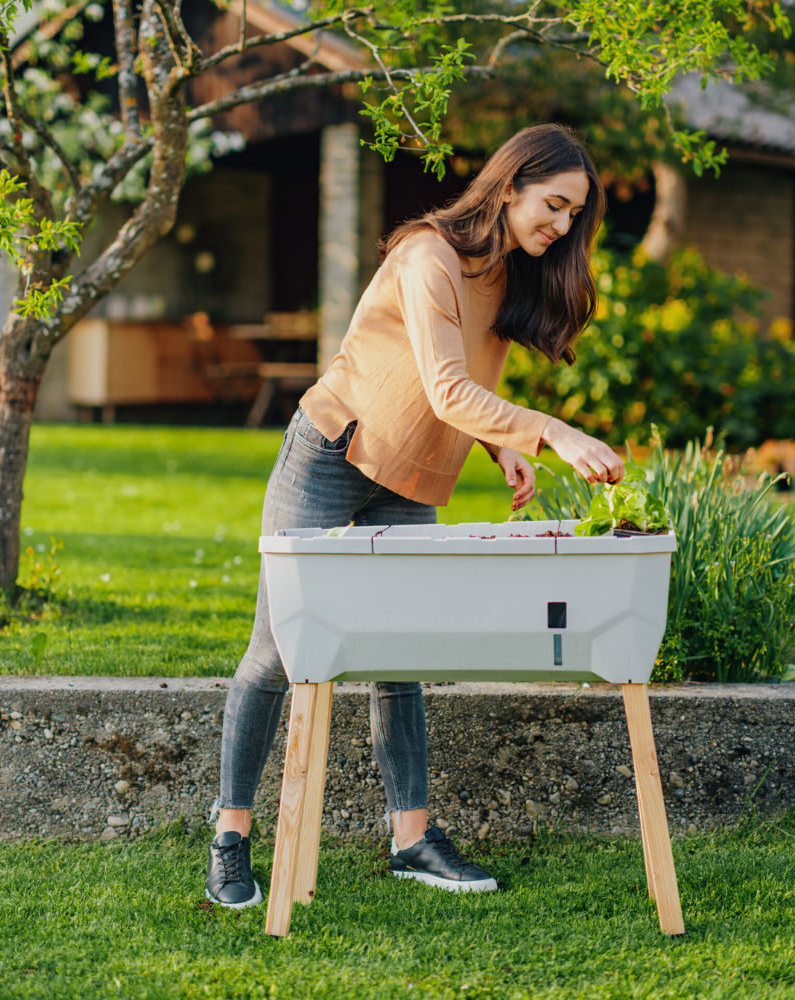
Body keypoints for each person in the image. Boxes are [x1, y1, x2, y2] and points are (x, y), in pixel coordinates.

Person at [206, 123, 626, 908]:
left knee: (399, 657)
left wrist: (497, 445)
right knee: (277, 652)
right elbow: (442, 386)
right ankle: (230, 837)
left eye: (575, 216)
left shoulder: (510, 275)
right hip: (333, 452)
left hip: (410, 478)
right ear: (510, 187)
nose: (563, 227)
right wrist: (552, 432)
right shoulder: (428, 256)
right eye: (556, 206)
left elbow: (454, 390)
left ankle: (412, 840)